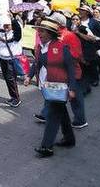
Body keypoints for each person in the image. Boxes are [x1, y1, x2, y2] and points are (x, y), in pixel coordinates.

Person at [24, 18, 79, 158]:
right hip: (46, 87)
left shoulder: (61, 48)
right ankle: (69, 139)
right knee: (62, 113)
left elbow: (71, 69)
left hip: (57, 87)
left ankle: (46, 147)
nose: (39, 33)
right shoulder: (41, 47)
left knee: (52, 115)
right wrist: (29, 76)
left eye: (42, 31)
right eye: (38, 31)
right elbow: (36, 63)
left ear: (50, 33)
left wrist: (72, 88)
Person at [33, 12, 86, 129]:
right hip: (55, 74)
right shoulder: (51, 36)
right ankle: (45, 114)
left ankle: (80, 120)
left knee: (75, 98)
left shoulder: (69, 36)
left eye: (51, 21)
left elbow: (77, 54)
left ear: (57, 23)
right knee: (51, 95)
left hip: (71, 73)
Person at [0, 17, 23, 107]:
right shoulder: (1, 33)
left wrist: (12, 18)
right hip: (3, 59)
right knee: (8, 79)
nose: (6, 26)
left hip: (11, 60)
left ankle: (16, 99)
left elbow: (18, 29)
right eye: (5, 24)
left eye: (8, 24)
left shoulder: (15, 34)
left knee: (11, 79)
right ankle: (13, 97)